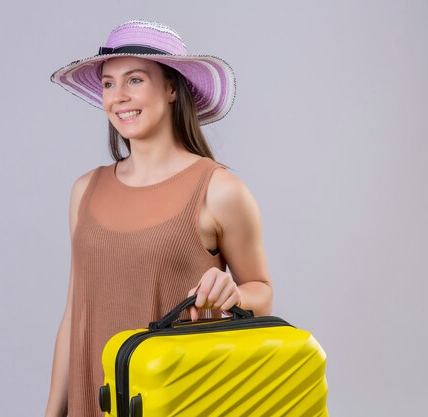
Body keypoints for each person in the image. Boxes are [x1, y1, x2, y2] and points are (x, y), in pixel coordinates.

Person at [44, 20, 273, 417]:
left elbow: (262, 292)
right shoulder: (85, 190)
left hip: (177, 403)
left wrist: (233, 295)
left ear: (171, 88)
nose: (118, 97)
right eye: (108, 84)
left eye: (135, 80)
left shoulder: (219, 190)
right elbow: (74, 315)